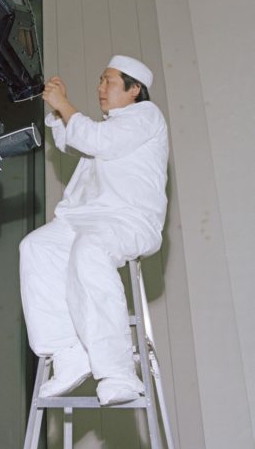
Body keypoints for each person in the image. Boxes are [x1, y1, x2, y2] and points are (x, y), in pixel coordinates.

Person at [19, 55, 168, 405]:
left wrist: (65, 105)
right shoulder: (109, 126)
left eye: (109, 81)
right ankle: (68, 353)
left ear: (134, 90)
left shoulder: (146, 116)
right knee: (36, 247)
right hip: (85, 219)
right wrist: (58, 110)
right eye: (100, 81)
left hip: (128, 220)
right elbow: (75, 141)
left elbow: (97, 141)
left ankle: (118, 372)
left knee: (90, 250)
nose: (100, 88)